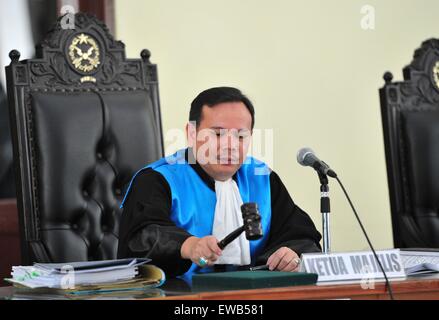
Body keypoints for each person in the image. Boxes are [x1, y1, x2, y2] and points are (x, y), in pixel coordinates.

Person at [117, 87, 321, 279]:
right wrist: (189, 245)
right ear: (191, 133)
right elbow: (139, 239)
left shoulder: (262, 177)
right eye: (217, 134)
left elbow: (300, 235)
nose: (230, 145)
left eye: (241, 136)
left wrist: (291, 254)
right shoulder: (158, 179)